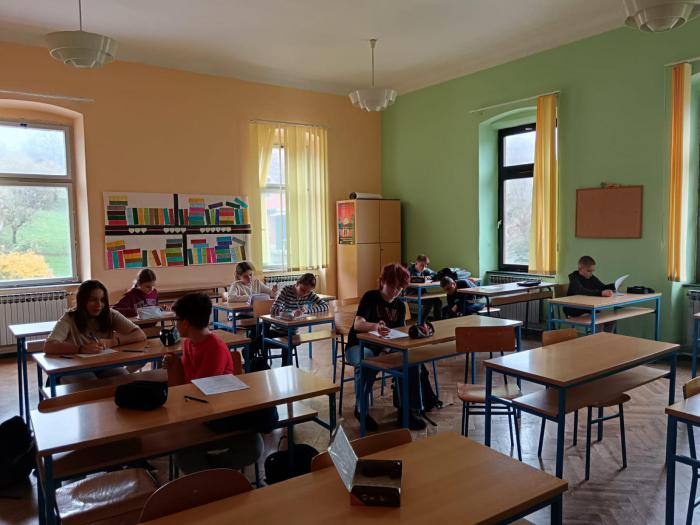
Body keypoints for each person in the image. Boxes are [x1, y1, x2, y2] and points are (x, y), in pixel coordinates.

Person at [163, 292, 276, 474]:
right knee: (183, 455)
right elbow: (184, 388)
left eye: (176, 320)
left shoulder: (214, 347)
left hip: (220, 414)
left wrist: (177, 375)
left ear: (185, 323)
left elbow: (199, 389)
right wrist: (173, 366)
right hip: (200, 413)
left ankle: (216, 475)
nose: (175, 324)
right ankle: (215, 475)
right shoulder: (188, 343)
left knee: (252, 448)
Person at [346, 263, 426, 431]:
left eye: (400, 288)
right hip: (358, 346)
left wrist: (385, 350)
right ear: (382, 282)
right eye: (393, 286)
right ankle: (361, 410)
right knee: (367, 362)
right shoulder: (370, 297)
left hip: (385, 347)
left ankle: (407, 411)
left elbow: (399, 334)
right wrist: (375, 327)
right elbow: (358, 324)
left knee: (411, 362)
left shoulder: (399, 306)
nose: (396, 291)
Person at [44, 280, 147, 382]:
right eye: (92, 300)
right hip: (76, 365)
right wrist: (81, 349)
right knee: (90, 381)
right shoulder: (70, 317)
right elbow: (49, 346)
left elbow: (140, 335)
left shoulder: (110, 314)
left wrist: (113, 342)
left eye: (102, 300)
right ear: (82, 301)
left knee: (123, 378)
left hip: (104, 364)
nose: (99, 305)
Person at [268, 273, 328, 365]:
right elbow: (274, 309)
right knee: (262, 342)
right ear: (297, 284)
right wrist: (291, 312)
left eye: (308, 291)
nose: (304, 294)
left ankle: (286, 369)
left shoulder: (308, 294)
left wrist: (307, 311)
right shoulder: (286, 290)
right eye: (302, 290)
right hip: (277, 330)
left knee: (289, 343)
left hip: (292, 332)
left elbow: (325, 305)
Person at [566, 255, 616, 332]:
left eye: (592, 271)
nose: (591, 274)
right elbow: (581, 291)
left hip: (589, 308)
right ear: (580, 269)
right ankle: (598, 339)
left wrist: (614, 285)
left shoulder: (591, 277)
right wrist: (600, 293)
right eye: (589, 271)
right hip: (575, 309)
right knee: (598, 322)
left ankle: (606, 338)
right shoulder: (574, 278)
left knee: (611, 320)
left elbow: (602, 287)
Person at [407, 254, 442, 321]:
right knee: (429, 302)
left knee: (438, 301)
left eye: (425, 266)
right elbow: (411, 280)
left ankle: (438, 322)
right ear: (416, 263)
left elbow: (435, 273)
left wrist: (430, 277)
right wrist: (423, 279)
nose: (423, 268)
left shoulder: (424, 269)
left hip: (422, 293)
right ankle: (421, 322)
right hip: (411, 294)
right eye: (421, 265)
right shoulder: (409, 271)